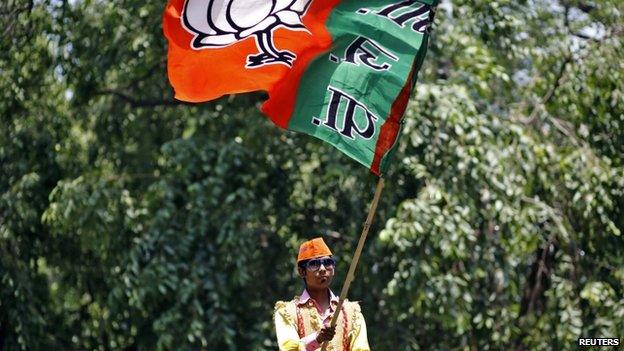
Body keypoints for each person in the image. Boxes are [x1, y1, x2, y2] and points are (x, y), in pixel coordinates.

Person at [274, 237, 370, 351]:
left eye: (328, 263)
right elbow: (289, 349)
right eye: (314, 264)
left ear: (333, 269)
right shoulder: (287, 313)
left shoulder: (352, 312)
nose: (323, 269)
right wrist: (317, 339)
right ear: (301, 271)